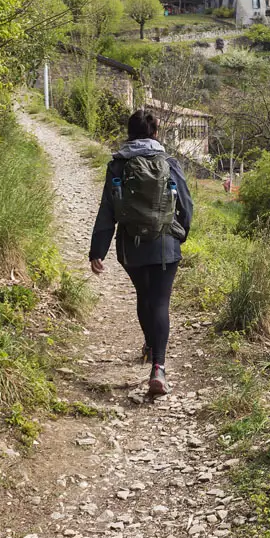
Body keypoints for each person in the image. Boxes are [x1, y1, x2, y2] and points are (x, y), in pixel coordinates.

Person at [89, 109, 193, 397]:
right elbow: (186, 205)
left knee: (144, 297)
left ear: (129, 133)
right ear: (156, 133)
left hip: (130, 246)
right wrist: (180, 235)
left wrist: (98, 250)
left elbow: (107, 210)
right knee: (160, 302)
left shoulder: (118, 165)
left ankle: (149, 344)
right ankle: (158, 367)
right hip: (166, 245)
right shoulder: (169, 162)